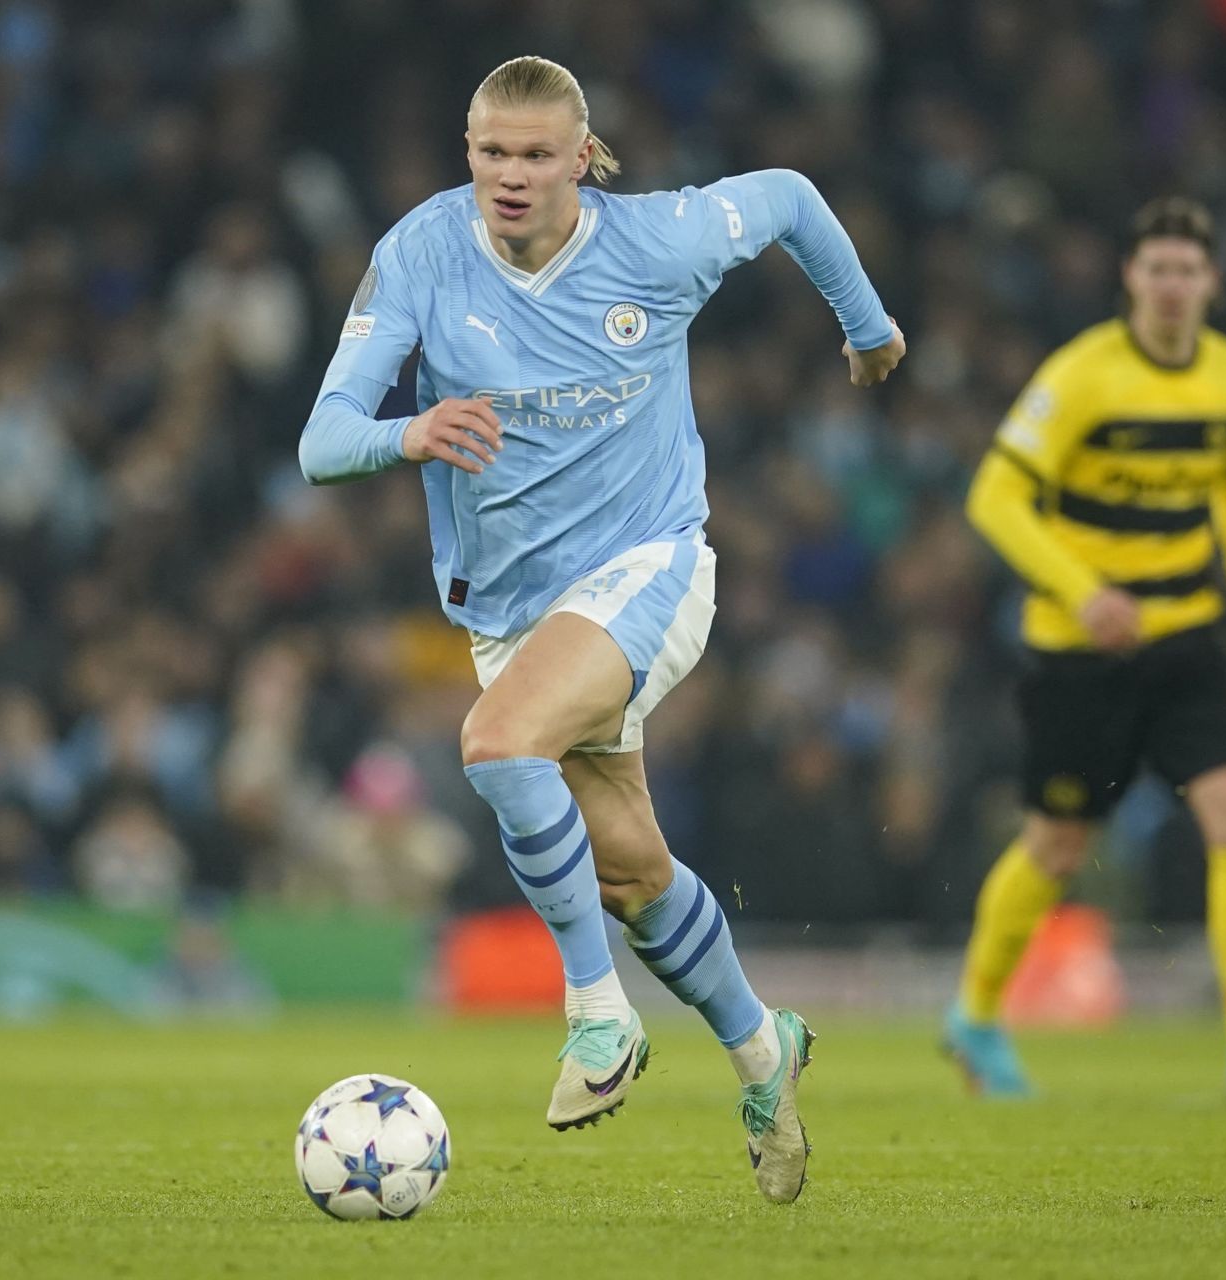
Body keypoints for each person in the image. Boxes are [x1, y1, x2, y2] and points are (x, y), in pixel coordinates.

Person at [299, 55, 904, 1202]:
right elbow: (321, 442)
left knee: (494, 742)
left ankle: (596, 1010)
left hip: (651, 566)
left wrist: (866, 327)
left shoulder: (657, 241)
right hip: (512, 611)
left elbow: (786, 194)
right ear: (467, 152)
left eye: (535, 155)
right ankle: (763, 1047)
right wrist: (408, 432)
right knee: (631, 870)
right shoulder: (422, 253)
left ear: (583, 157)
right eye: (490, 153)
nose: (510, 176)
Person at [947, 197, 1226, 1101]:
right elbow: (994, 495)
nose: (1174, 286)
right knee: (1060, 845)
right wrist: (1085, 591)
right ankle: (976, 1016)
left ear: (1213, 283)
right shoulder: (1081, 376)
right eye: (1157, 269)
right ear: (1130, 278)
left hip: (1188, 637)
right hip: (1079, 649)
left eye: (1188, 270)